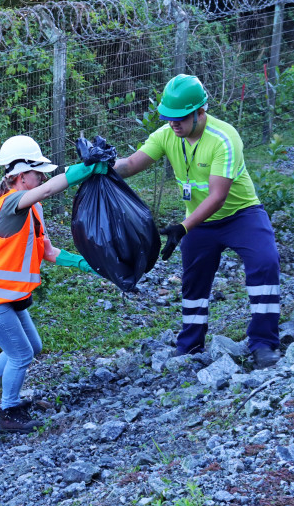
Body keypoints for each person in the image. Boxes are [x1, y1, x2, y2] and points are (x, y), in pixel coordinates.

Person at [112, 74, 282, 368]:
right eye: (168, 118)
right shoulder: (167, 134)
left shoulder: (225, 138)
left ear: (200, 112)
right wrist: (98, 166)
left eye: (180, 118)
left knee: (265, 263)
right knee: (194, 282)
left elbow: (217, 196)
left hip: (241, 214)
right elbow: (129, 165)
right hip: (198, 223)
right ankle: (190, 346)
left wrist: (183, 227)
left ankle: (264, 343)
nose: (173, 124)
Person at [0, 135, 107, 433]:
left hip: (3, 296)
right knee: (21, 354)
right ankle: (9, 411)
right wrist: (85, 170)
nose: (42, 177)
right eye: (38, 172)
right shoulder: (13, 202)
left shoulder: (30, 208)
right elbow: (51, 188)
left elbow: (48, 253)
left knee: (31, 347)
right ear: (22, 175)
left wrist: (91, 265)